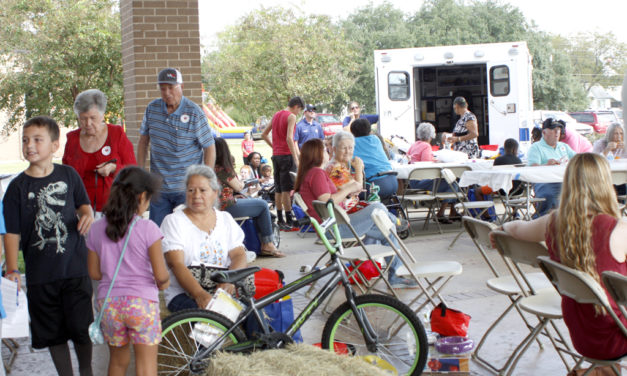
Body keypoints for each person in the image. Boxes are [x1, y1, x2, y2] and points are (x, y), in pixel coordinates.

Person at [490, 153, 627, 360]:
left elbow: (518, 229)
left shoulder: (553, 222)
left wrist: (502, 226)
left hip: (581, 334)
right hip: (617, 335)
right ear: (606, 183)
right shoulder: (619, 230)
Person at [3, 116, 95, 376]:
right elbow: (11, 232)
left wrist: (87, 214)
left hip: (75, 269)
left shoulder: (68, 174)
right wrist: (12, 269)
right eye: (25, 140)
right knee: (53, 332)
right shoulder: (16, 188)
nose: (29, 145)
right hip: (41, 275)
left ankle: (86, 370)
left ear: (54, 145)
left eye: (36, 139)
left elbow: (83, 204)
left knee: (81, 328)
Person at [295, 138, 416, 288]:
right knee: (376, 207)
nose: (328, 152)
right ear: (317, 154)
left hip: (333, 225)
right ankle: (394, 222)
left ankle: (395, 274)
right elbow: (328, 202)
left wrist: (347, 191)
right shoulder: (317, 173)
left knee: (388, 230)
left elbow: (331, 199)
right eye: (325, 149)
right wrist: (348, 189)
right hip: (335, 228)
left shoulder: (313, 173)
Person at [86, 166, 169, 376]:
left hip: (109, 305)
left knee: (117, 362)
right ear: (142, 197)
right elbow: (160, 275)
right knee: (146, 366)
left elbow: (94, 273)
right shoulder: (149, 229)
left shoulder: (96, 228)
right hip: (141, 303)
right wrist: (165, 282)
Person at [160, 165, 251, 312]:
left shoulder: (225, 219)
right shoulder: (173, 221)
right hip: (185, 294)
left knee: (253, 314)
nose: (196, 195)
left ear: (215, 193)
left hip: (220, 290)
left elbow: (239, 255)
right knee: (215, 317)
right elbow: (175, 263)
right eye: (191, 190)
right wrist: (200, 295)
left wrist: (229, 281)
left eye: (203, 190)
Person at [137, 68, 216, 226]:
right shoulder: (152, 109)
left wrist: (206, 179)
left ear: (182, 87)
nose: (167, 93)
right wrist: (140, 173)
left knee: (188, 232)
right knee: (158, 235)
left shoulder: (194, 112)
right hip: (159, 187)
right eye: (163, 88)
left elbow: (209, 147)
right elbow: (143, 141)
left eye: (171, 87)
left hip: (187, 188)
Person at [63, 89, 137, 217]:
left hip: (114, 210)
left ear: (102, 116)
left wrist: (114, 168)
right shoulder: (72, 139)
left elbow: (134, 172)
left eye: (93, 118)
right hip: (81, 210)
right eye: (83, 119)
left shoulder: (116, 134)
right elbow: (66, 176)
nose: (88, 123)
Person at [213, 138, 284, 258]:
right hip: (225, 206)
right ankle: (267, 244)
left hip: (214, 206)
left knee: (253, 204)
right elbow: (239, 186)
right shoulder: (223, 169)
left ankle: (259, 243)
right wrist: (247, 183)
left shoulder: (207, 166)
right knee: (261, 205)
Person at [262, 96, 304, 230]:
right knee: (286, 189)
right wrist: (296, 159)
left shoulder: (276, 115)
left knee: (279, 188)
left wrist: (274, 147)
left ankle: (280, 218)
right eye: (299, 110)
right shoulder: (291, 116)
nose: (298, 113)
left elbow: (264, 134)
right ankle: (288, 219)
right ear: (296, 106)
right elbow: (289, 138)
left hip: (276, 156)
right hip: (286, 156)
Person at [406, 123, 460, 223]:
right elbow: (427, 165)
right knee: (452, 183)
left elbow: (409, 158)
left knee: (450, 183)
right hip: (421, 179)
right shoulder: (426, 146)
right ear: (431, 135)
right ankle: (442, 213)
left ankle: (450, 212)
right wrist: (437, 161)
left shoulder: (414, 144)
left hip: (412, 179)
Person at [527, 119, 576, 217]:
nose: (557, 132)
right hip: (544, 181)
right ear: (544, 132)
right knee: (551, 195)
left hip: (564, 180)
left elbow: (578, 159)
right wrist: (546, 165)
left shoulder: (564, 146)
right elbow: (532, 168)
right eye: (553, 129)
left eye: (558, 129)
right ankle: (543, 220)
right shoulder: (535, 148)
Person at [350, 119, 398, 201]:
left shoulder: (352, 143)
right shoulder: (375, 139)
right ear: (369, 130)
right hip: (393, 181)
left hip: (374, 185)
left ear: (352, 132)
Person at [325, 131, 364, 212]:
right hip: (345, 213)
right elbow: (357, 189)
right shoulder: (335, 169)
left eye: (350, 148)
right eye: (344, 148)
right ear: (335, 149)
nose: (347, 152)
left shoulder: (338, 165)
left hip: (350, 209)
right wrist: (359, 168)